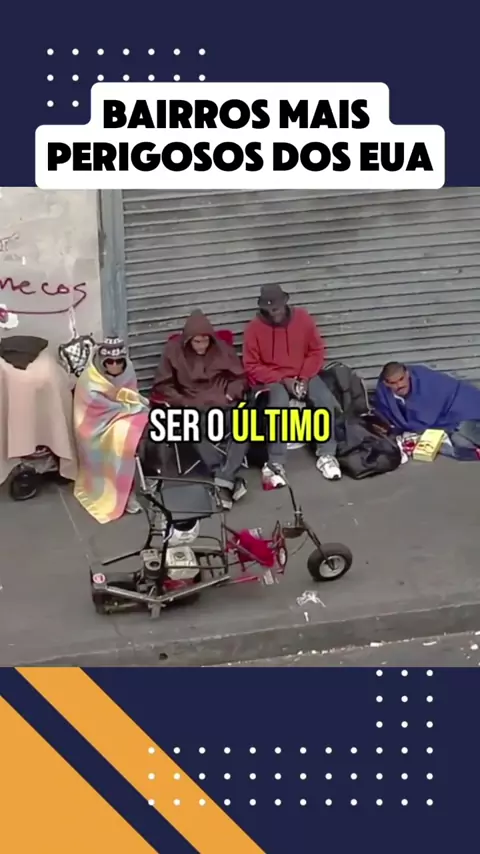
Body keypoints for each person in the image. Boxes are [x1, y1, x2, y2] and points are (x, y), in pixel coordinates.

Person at [242, 284, 342, 487]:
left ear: (285, 304)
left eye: (276, 308)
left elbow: (316, 350)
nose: (273, 313)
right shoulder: (253, 328)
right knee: (277, 406)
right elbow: (251, 365)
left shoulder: (303, 318)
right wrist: (282, 379)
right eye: (268, 310)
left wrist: (304, 377)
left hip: (304, 373)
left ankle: (327, 454)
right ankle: (276, 461)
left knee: (324, 399)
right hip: (274, 377)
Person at [152, 310, 249, 509]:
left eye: (205, 341)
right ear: (188, 341)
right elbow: (162, 385)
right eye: (197, 342)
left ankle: (223, 478)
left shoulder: (222, 349)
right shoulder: (173, 351)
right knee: (191, 427)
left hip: (223, 403)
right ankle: (227, 478)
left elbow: (240, 378)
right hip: (192, 404)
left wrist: (230, 394)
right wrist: (182, 402)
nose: (202, 346)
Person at [73, 337, 149, 523]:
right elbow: (94, 407)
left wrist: (131, 407)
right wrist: (129, 407)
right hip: (95, 426)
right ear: (102, 361)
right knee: (121, 444)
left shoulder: (129, 370)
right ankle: (124, 494)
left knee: (146, 426)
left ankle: (144, 478)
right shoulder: (89, 379)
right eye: (110, 362)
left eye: (119, 361)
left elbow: (131, 395)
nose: (115, 366)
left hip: (124, 414)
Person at [374, 361, 480, 457]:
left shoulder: (423, 378)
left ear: (407, 374)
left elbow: (443, 396)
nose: (399, 385)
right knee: (460, 443)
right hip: (446, 423)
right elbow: (387, 416)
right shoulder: (384, 394)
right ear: (386, 383)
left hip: (458, 405)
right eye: (393, 383)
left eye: (401, 379)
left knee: (466, 429)